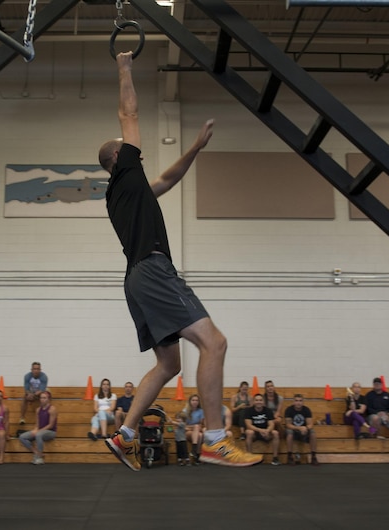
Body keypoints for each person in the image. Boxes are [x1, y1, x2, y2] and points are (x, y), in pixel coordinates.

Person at [100, 51, 260, 470]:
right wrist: (124, 66)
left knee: (169, 363)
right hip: (153, 271)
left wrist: (194, 148)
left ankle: (125, 435)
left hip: (135, 278)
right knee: (215, 343)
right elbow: (127, 111)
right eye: (128, 149)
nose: (135, 150)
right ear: (119, 159)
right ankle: (214, 439)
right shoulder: (126, 169)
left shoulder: (125, 194)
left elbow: (167, 179)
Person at [18, 391, 58, 465]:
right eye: (41, 398)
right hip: (40, 431)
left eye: (44, 398)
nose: (42, 399)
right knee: (22, 437)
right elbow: (37, 424)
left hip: (51, 432)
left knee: (38, 434)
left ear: (48, 399)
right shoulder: (38, 410)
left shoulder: (52, 409)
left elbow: (51, 425)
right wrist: (35, 429)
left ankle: (39, 458)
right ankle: (37, 453)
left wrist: (38, 431)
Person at [243, 394, 280, 466]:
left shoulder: (268, 411)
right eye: (256, 400)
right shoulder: (248, 411)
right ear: (253, 402)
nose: (258, 402)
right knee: (249, 432)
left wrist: (267, 430)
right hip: (255, 433)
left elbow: (271, 424)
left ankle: (275, 458)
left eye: (260, 400)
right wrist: (260, 430)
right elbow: (249, 425)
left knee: (275, 433)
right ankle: (249, 457)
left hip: (266, 433)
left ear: (263, 402)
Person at [284, 394, 319, 466]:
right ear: (293, 402)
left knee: (312, 433)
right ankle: (290, 456)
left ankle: (313, 456)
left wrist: (306, 428)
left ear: (303, 402)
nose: (298, 403)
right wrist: (299, 428)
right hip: (293, 429)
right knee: (289, 433)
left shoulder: (306, 410)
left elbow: (310, 424)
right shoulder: (289, 410)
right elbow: (288, 425)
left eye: (300, 401)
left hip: (304, 430)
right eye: (296, 401)